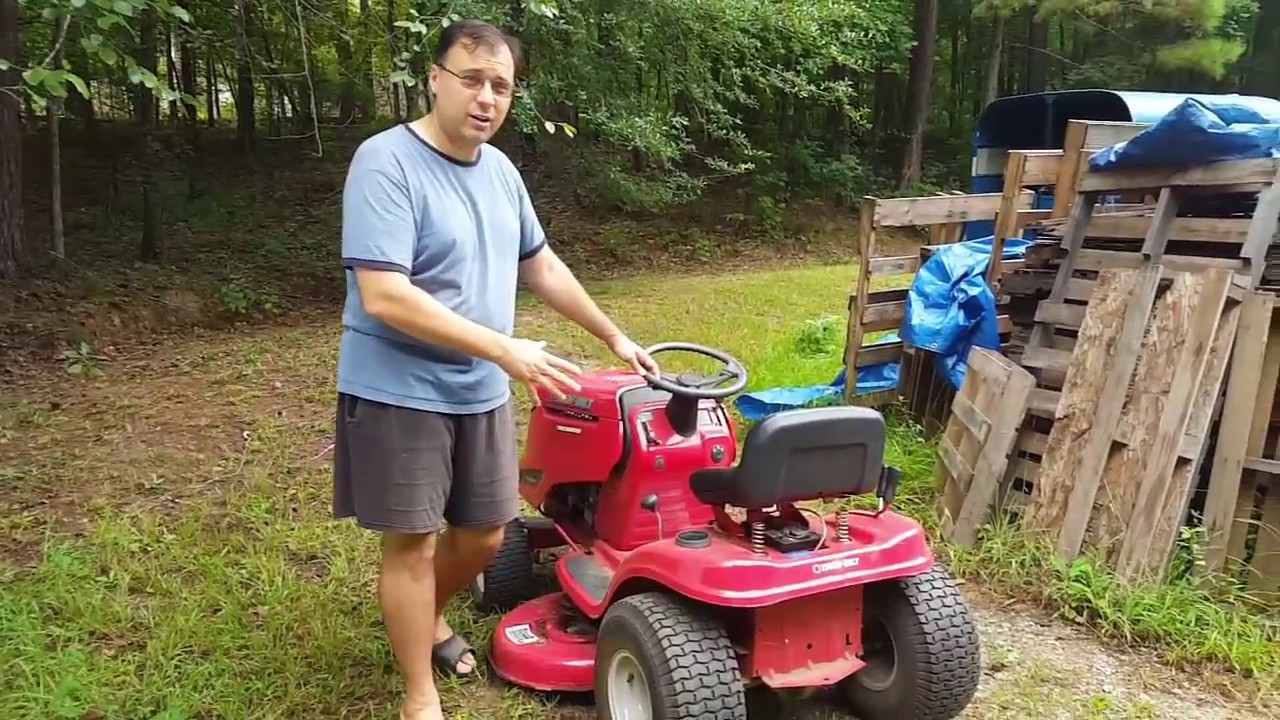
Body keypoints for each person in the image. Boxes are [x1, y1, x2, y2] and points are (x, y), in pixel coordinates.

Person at [332, 19, 659, 720]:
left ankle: (424, 615)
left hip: (476, 386)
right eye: (472, 79)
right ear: (435, 79)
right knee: (413, 542)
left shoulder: (502, 172)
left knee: (484, 535)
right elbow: (384, 294)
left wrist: (612, 334)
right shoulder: (385, 162)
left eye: (502, 86)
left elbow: (539, 264)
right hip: (398, 388)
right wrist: (505, 348)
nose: (486, 98)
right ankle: (420, 692)